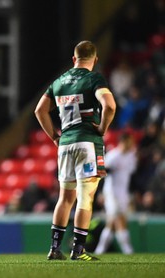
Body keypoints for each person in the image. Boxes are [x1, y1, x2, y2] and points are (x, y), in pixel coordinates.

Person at [34, 40, 116, 261]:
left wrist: (53, 136)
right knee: (85, 198)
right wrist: (102, 128)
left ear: (74, 59)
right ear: (95, 59)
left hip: (66, 144)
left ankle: (54, 248)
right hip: (87, 143)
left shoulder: (59, 81)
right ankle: (78, 250)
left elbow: (40, 110)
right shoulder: (94, 78)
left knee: (65, 198)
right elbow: (109, 105)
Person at [94, 132, 136, 255]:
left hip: (123, 193)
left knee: (112, 223)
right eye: (129, 141)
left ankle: (100, 250)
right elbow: (102, 174)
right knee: (118, 219)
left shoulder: (131, 157)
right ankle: (128, 250)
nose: (132, 143)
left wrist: (133, 193)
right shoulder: (113, 156)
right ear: (123, 141)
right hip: (111, 192)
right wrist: (101, 193)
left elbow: (131, 176)